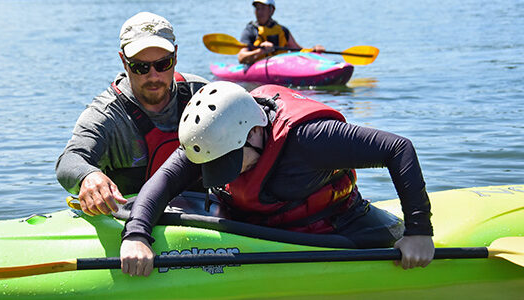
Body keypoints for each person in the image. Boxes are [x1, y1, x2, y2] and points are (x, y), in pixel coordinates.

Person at [119, 81, 435, 276]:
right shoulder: (213, 135)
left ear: (255, 132)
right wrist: (136, 234)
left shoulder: (310, 139)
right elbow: (162, 184)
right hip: (257, 223)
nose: (228, 172)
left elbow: (398, 148)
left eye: (230, 162)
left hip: (335, 224)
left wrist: (419, 232)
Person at [55, 12, 208, 217]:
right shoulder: (106, 114)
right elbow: (69, 160)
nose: (153, 76)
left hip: (205, 217)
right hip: (132, 220)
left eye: (163, 64)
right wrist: (87, 176)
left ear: (176, 56)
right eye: (140, 67)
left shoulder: (203, 94)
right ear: (124, 62)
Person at [238, 0, 327, 64]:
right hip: (255, 68)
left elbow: (298, 51)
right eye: (257, 8)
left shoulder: (283, 31)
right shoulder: (250, 31)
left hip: (279, 65)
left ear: (271, 10)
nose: (259, 12)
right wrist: (260, 51)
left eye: (263, 8)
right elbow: (241, 58)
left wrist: (313, 51)